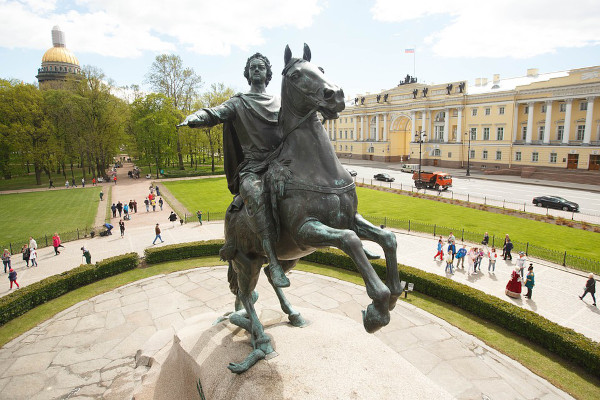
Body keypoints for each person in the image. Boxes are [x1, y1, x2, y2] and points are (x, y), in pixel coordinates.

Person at [179, 52, 289, 288]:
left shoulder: (281, 103)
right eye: (253, 67)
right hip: (252, 169)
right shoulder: (238, 102)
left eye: (261, 67)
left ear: (268, 74)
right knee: (255, 196)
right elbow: (215, 113)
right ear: (247, 73)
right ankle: (274, 262)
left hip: (279, 166)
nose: (257, 70)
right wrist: (196, 116)